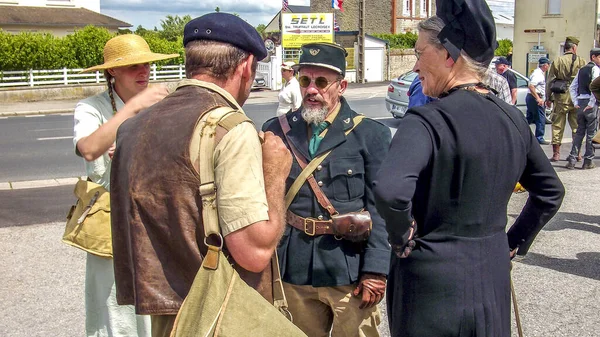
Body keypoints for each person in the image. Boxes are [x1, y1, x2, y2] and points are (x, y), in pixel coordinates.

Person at [373, 0, 565, 335]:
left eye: (420, 53)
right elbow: (550, 192)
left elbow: (390, 190)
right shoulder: (513, 120)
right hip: (490, 277)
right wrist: (513, 241)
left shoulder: (425, 120)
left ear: (449, 54)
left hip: (430, 285)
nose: (416, 65)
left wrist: (401, 235)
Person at [109, 13, 292, 337]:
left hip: (167, 318)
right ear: (247, 65)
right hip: (221, 317)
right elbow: (254, 251)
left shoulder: (132, 128)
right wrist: (275, 173)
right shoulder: (229, 128)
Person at [262, 42, 391, 337]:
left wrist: (376, 269)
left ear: (341, 86)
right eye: (305, 80)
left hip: (350, 271)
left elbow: (382, 209)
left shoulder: (369, 134)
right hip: (293, 269)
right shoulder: (276, 130)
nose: (311, 90)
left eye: (321, 82)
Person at [74, 34, 177, 337]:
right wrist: (132, 110)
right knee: (112, 306)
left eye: (145, 64)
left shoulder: (161, 105)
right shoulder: (91, 107)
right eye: (132, 66)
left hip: (154, 214)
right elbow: (90, 148)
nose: (143, 71)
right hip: (109, 218)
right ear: (112, 72)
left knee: (156, 298)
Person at [545, 36, 587, 161]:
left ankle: (556, 154)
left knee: (557, 125)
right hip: (576, 97)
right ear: (574, 48)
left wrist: (548, 97)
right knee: (577, 126)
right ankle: (577, 153)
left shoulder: (557, 61)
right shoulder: (582, 61)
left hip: (560, 96)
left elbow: (550, 80)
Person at [565, 48, 600, 169]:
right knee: (591, 134)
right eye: (599, 57)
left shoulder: (581, 70)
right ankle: (588, 161)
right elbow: (594, 87)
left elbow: (572, 87)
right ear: (593, 57)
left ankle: (572, 159)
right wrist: (592, 102)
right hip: (591, 103)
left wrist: (575, 101)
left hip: (580, 102)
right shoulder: (595, 69)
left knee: (579, 132)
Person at [526, 57, 551, 145]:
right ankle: (539, 137)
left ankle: (520, 132)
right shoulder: (538, 74)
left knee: (530, 118)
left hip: (532, 97)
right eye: (548, 65)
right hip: (535, 98)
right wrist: (538, 98)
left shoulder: (538, 73)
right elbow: (531, 86)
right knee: (540, 118)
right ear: (545, 65)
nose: (548, 67)